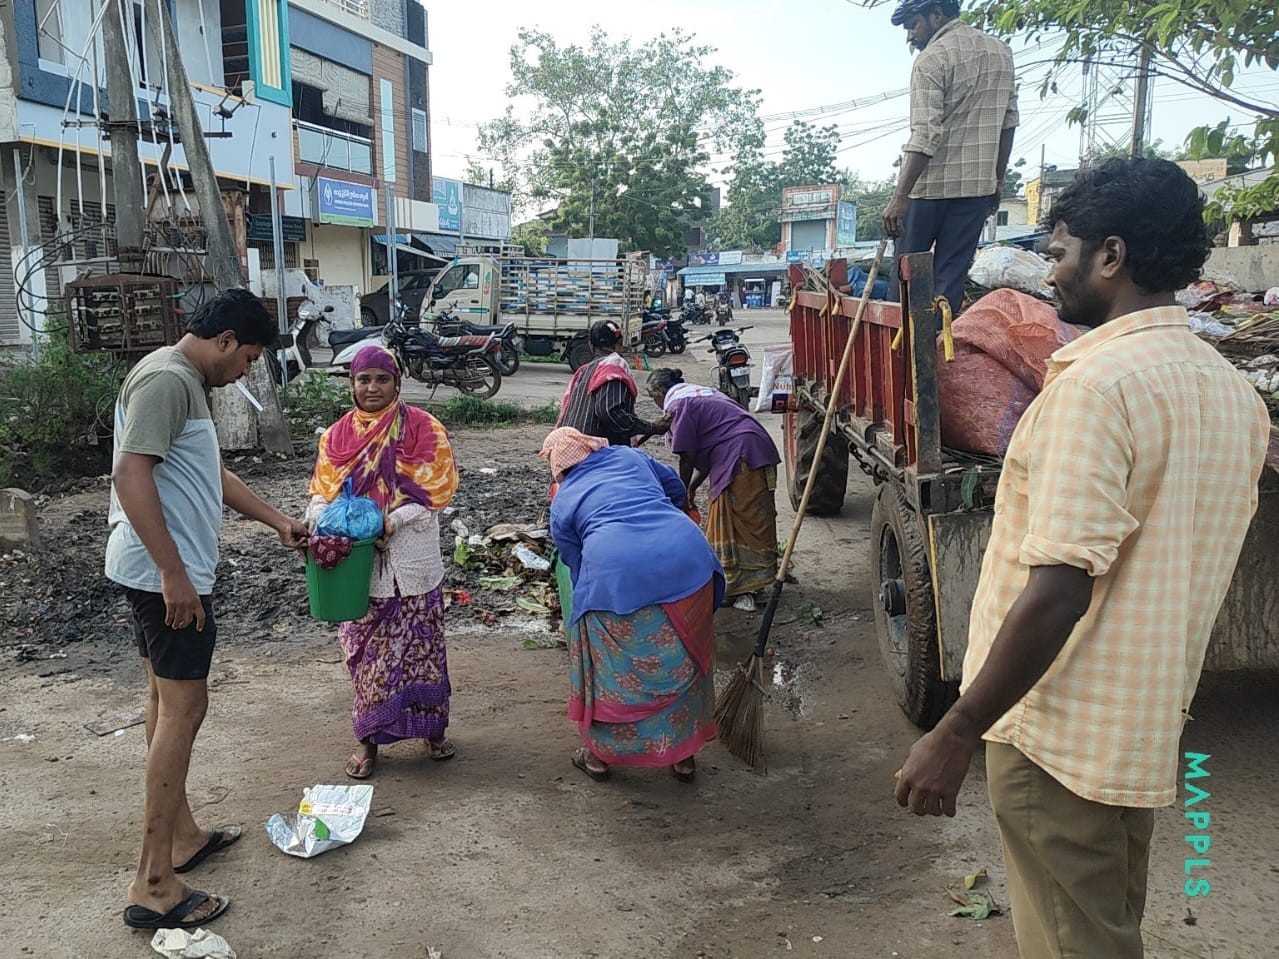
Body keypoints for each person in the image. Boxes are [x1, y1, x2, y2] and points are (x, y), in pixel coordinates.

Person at [893, 158, 1271, 958]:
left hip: (1054, 740)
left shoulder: (1095, 387)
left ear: (1110, 255)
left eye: (1059, 250)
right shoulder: (1230, 392)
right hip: (1134, 728)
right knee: (1100, 929)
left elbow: (1061, 587)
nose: (1050, 273)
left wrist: (957, 729)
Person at [108, 289, 309, 931]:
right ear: (225, 340)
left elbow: (207, 474)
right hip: (164, 577)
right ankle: (153, 883)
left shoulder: (184, 381)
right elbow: (130, 474)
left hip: (166, 573)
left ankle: (182, 837)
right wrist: (173, 573)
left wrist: (277, 520)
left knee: (167, 704)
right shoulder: (169, 379)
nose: (247, 370)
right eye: (248, 357)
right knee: (185, 708)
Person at [307, 345, 460, 779]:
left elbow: (436, 494)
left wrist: (391, 520)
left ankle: (433, 732)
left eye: (382, 379)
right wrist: (332, 522)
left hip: (413, 562)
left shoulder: (424, 429)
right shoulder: (335, 437)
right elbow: (321, 493)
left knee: (424, 651)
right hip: (358, 571)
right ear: (352, 385)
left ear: (397, 383)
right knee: (366, 657)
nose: (372, 387)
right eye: (363, 380)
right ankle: (368, 741)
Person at [540, 427, 725, 783]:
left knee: (610, 670)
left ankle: (599, 758)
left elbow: (574, 562)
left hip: (617, 574)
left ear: (558, 466)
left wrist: (588, 608)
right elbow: (676, 490)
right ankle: (683, 758)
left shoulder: (563, 500)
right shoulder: (631, 455)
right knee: (683, 660)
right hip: (689, 560)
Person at [882, 0, 1019, 314]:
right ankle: (936, 355)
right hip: (976, 190)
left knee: (906, 282)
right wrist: (997, 181)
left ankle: (900, 358)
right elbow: (1008, 123)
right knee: (948, 284)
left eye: (913, 25)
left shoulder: (931, 59)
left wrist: (900, 197)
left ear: (936, 15)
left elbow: (925, 134)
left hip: (928, 190)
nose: (910, 37)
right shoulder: (1001, 52)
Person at [647, 368, 781, 602]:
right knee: (749, 518)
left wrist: (680, 494)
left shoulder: (680, 404)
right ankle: (746, 583)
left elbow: (687, 456)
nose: (655, 402)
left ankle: (737, 585)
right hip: (752, 447)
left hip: (741, 454)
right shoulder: (700, 394)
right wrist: (691, 488)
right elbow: (706, 452)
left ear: (659, 392)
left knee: (738, 518)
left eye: (652, 397)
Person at [556, 319, 666, 446]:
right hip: (596, 454)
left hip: (568, 449)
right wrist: (652, 428)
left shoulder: (583, 372)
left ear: (591, 346)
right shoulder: (613, 368)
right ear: (620, 342)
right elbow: (609, 411)